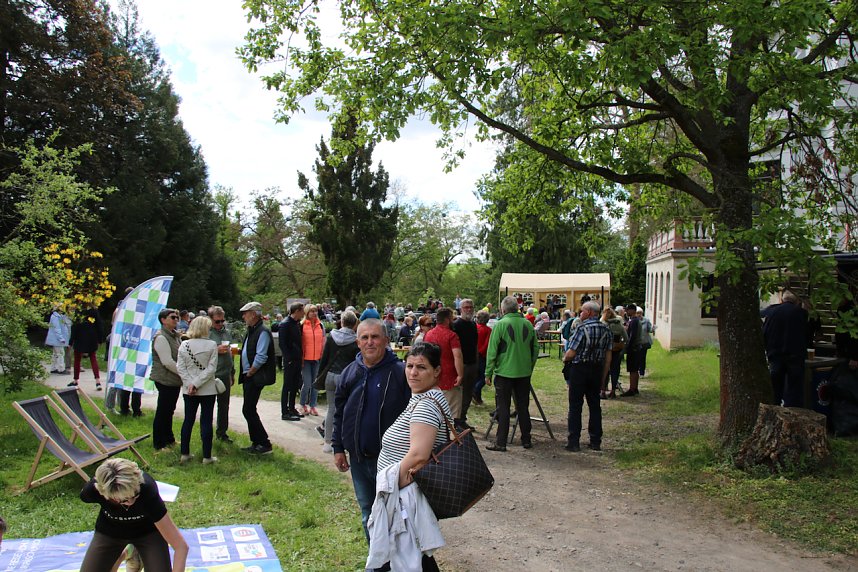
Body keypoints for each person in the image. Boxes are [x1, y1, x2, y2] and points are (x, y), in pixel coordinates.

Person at [369, 342, 451, 571]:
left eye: (421, 367)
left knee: (403, 560)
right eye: (410, 365)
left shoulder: (426, 406)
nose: (413, 372)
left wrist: (389, 488)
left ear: (436, 372)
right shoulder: (425, 398)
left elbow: (418, 457)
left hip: (406, 498)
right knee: (412, 558)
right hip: (405, 496)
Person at [332, 319, 410, 540]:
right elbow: (339, 413)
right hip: (358, 460)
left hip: (392, 463)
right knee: (368, 514)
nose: (370, 342)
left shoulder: (400, 373)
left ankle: (399, 561)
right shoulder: (349, 373)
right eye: (364, 338)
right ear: (357, 342)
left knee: (396, 515)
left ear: (386, 340)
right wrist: (338, 447)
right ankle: (377, 562)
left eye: (375, 337)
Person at [79, 458, 188, 572]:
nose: (130, 502)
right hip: (110, 531)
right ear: (105, 494)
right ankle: (126, 553)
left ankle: (131, 551)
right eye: (124, 500)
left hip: (148, 532)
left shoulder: (146, 489)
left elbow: (181, 547)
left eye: (135, 494)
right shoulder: (91, 492)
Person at [485, 296, 539, 452]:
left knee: (503, 407)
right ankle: (526, 439)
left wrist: (488, 372)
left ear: (503, 309)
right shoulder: (528, 324)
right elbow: (535, 348)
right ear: (517, 308)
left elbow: (492, 351)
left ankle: (501, 442)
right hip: (523, 372)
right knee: (523, 406)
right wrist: (529, 365)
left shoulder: (500, 325)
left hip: (504, 373)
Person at [564, 301, 613, 452]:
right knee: (595, 406)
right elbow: (608, 357)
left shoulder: (582, 328)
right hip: (596, 369)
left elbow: (571, 352)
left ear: (590, 312)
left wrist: (565, 359)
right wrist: (603, 378)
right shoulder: (606, 329)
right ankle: (595, 440)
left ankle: (573, 441)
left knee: (575, 406)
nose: (580, 313)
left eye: (583, 311)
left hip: (580, 369)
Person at [176, 316, 220, 465]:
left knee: (188, 420)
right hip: (207, 388)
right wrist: (197, 383)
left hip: (189, 390)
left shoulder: (184, 344)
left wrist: (190, 384)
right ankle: (207, 456)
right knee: (206, 421)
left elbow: (180, 368)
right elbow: (211, 368)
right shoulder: (212, 344)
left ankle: (184, 453)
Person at [318, 310, 360, 453]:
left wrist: (319, 376)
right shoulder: (356, 342)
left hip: (330, 375)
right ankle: (343, 442)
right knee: (347, 410)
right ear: (355, 324)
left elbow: (324, 358)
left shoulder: (331, 337)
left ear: (342, 322)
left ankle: (327, 442)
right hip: (347, 378)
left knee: (331, 409)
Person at [239, 301, 276, 455]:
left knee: (248, 409)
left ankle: (263, 442)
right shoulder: (253, 330)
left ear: (253, 314)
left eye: (246, 313)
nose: (243, 316)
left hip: (254, 376)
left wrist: (251, 371)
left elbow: (261, 356)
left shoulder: (262, 331)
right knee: (248, 409)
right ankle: (257, 442)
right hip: (249, 375)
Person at [762, 289, 808, 406]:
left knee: (775, 388)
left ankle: (774, 410)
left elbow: (764, 332)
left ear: (782, 299)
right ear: (797, 301)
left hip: (775, 355)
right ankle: (793, 412)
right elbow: (807, 333)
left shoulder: (771, 311)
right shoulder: (801, 313)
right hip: (795, 356)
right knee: (794, 390)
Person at [424, 308, 464, 421]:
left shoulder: (428, 334)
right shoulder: (452, 335)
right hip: (449, 379)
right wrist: (460, 375)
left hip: (432, 379)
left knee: (433, 415)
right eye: (452, 318)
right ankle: (449, 438)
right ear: (447, 320)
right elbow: (458, 356)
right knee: (452, 416)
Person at [151, 308, 183, 450]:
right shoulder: (161, 337)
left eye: (177, 317)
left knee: (169, 410)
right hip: (165, 379)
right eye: (172, 317)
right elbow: (167, 362)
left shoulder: (175, 335)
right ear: (163, 320)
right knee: (163, 411)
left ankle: (169, 439)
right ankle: (159, 443)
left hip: (174, 379)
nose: (176, 320)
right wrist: (184, 373)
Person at [208, 305, 236, 443]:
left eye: (222, 321)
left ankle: (222, 433)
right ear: (211, 320)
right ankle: (206, 432)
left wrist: (232, 372)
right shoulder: (206, 333)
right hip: (211, 374)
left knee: (224, 405)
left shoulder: (226, 332)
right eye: (217, 321)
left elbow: (232, 353)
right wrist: (215, 349)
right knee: (208, 404)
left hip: (225, 373)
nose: (220, 324)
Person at [451, 298, 478, 427]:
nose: (468, 309)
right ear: (460, 309)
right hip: (461, 365)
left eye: (470, 307)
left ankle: (462, 419)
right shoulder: (456, 325)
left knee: (468, 393)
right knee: (458, 395)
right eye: (466, 307)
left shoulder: (473, 325)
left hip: (472, 363)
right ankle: (456, 421)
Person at [69, 304, 104, 390]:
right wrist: (100, 339)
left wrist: (71, 341)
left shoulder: (79, 311)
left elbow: (75, 327)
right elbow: (99, 325)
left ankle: (76, 380)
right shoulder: (94, 311)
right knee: (93, 358)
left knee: (77, 359)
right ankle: (97, 381)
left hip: (80, 337)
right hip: (92, 337)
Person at [279, 302, 305, 421]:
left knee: (295, 385)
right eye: (302, 311)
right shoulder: (285, 324)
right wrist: (288, 358)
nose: (303, 313)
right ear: (297, 311)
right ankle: (285, 412)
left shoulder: (296, 324)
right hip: (290, 360)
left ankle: (292, 407)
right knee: (287, 386)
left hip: (297, 358)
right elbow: (282, 344)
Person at [300, 304, 325, 416]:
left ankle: (313, 406)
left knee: (316, 384)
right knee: (307, 384)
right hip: (305, 359)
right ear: (306, 313)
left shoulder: (321, 325)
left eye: (315, 311)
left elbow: (323, 341)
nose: (314, 313)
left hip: (317, 359)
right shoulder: (302, 325)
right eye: (311, 311)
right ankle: (302, 404)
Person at [600, 307, 627, 399]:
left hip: (605, 350)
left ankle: (603, 391)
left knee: (605, 371)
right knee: (615, 370)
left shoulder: (603, 324)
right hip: (616, 350)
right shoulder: (619, 324)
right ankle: (613, 391)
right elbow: (626, 338)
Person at [621, 303, 643, 397]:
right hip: (637, 347)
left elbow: (632, 336)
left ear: (633, 310)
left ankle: (632, 388)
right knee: (635, 369)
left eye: (628, 310)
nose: (626, 311)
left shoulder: (634, 321)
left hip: (634, 348)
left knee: (632, 370)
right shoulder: (635, 320)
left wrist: (628, 347)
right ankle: (635, 388)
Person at [472, 310, 492, 406]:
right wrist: (481, 352)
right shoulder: (488, 330)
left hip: (473, 355)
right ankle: (475, 391)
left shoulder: (474, 328)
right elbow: (487, 344)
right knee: (484, 377)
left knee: (477, 377)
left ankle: (478, 398)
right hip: (481, 356)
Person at [46, 305, 71, 374]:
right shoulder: (56, 317)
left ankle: (53, 368)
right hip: (57, 339)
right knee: (60, 353)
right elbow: (57, 328)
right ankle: (61, 369)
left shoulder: (59, 316)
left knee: (55, 354)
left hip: (56, 339)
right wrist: (61, 338)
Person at [637, 308, 655, 377]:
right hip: (637, 342)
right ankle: (637, 369)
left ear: (642, 313)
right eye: (637, 313)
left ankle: (642, 372)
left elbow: (649, 329)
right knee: (637, 357)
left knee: (643, 357)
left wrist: (652, 329)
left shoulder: (646, 321)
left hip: (644, 342)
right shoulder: (634, 321)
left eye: (640, 313)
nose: (639, 315)